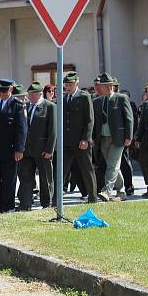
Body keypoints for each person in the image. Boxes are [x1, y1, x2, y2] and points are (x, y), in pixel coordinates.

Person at [0, 79, 27, 213]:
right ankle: (0, 204)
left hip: (9, 149)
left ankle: (8, 206)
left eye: (4, 91)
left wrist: (19, 149)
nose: (1, 94)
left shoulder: (17, 105)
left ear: (10, 90)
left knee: (9, 179)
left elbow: (22, 129)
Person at [92, 73, 133, 201]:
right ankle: (121, 192)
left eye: (102, 86)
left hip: (118, 138)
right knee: (114, 166)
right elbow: (95, 122)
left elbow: (129, 118)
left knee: (112, 165)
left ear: (110, 87)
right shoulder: (97, 101)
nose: (99, 88)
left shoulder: (121, 98)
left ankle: (107, 190)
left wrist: (128, 136)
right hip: (103, 138)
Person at [60, 72, 99, 203]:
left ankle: (93, 197)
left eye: (70, 84)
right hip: (66, 142)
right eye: (66, 85)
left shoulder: (84, 96)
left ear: (77, 83)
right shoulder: (63, 98)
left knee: (87, 169)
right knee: (61, 170)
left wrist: (86, 138)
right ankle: (56, 199)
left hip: (81, 141)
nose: (68, 87)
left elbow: (90, 120)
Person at [17, 81, 57, 210]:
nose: (30, 96)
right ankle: (25, 203)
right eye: (29, 94)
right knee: (26, 177)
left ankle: (46, 203)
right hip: (27, 149)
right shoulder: (25, 106)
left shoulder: (49, 106)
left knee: (45, 178)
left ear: (40, 94)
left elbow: (53, 130)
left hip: (42, 149)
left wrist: (49, 149)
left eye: (33, 94)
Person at [135, 82, 148, 197]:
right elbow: (142, 124)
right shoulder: (146, 105)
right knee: (143, 161)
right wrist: (138, 138)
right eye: (147, 91)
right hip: (146, 140)